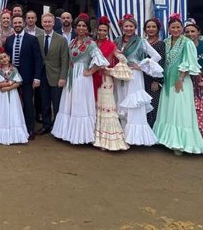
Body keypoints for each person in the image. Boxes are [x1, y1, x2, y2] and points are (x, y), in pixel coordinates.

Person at [153, 14, 203, 155]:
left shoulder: (187, 43)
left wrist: (180, 78)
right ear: (169, 29)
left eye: (178, 27)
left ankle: (180, 143)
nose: (176, 29)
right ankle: (165, 139)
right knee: (168, 109)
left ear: (182, 29)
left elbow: (189, 62)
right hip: (167, 81)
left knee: (180, 110)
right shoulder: (165, 42)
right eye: (173, 27)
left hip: (180, 81)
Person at [52, 13, 108, 145]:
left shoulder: (91, 44)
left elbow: (101, 61)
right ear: (75, 28)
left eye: (83, 26)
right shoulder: (72, 42)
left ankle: (81, 135)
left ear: (87, 29)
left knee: (80, 103)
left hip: (82, 78)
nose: (81, 28)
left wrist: (91, 71)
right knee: (69, 102)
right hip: (71, 75)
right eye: (79, 25)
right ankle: (67, 132)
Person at [114, 14, 160, 146]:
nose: (128, 28)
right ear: (122, 27)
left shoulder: (141, 41)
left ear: (135, 27)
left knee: (133, 105)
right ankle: (123, 134)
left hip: (134, 76)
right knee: (121, 102)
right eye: (126, 26)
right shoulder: (117, 41)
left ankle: (134, 137)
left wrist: (141, 66)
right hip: (120, 76)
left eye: (131, 26)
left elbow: (156, 56)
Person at [92, 16, 129, 151]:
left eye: (104, 30)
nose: (102, 32)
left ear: (107, 32)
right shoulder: (92, 44)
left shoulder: (111, 45)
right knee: (96, 107)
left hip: (106, 80)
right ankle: (96, 138)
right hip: (93, 78)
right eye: (100, 30)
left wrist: (112, 71)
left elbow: (123, 59)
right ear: (97, 31)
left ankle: (109, 140)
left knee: (106, 107)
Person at [5, 15, 43, 140]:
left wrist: (37, 77)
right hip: (11, 77)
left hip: (27, 77)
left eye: (19, 22)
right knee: (13, 103)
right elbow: (5, 59)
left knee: (28, 103)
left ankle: (29, 129)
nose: (17, 25)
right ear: (12, 24)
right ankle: (14, 127)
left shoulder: (32, 39)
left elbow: (38, 60)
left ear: (23, 23)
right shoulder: (9, 40)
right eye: (15, 23)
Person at [0, 48, 29, 145]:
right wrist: (10, 82)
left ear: (9, 57)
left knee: (13, 110)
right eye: (1, 58)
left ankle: (15, 134)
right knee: (2, 110)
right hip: (1, 96)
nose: (3, 59)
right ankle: (1, 132)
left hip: (13, 94)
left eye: (5, 57)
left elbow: (18, 83)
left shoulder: (14, 69)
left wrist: (8, 87)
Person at [36, 13, 70, 135]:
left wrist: (62, 77)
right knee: (44, 103)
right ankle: (46, 125)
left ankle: (58, 126)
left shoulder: (61, 39)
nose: (47, 24)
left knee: (57, 103)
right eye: (45, 22)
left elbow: (65, 60)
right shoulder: (38, 37)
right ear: (41, 23)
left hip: (56, 76)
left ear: (54, 23)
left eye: (49, 22)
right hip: (42, 76)